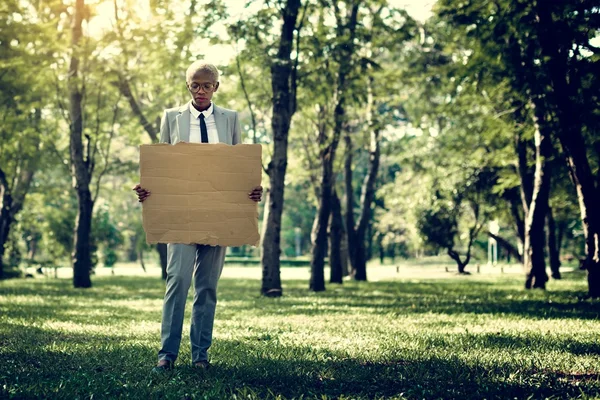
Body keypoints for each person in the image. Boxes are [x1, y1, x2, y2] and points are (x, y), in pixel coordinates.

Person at [133, 61, 263, 373]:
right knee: (177, 279)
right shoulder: (171, 117)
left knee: (206, 286)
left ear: (216, 86)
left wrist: (251, 190)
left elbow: (237, 166)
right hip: (180, 215)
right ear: (188, 85)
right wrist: (148, 188)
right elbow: (162, 164)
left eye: (207, 85)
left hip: (219, 215)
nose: (201, 90)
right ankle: (167, 355)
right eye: (195, 85)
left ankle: (200, 356)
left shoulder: (230, 119)